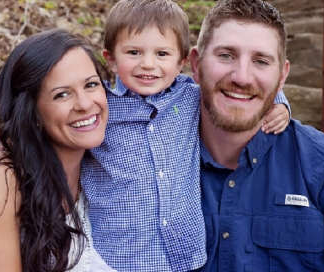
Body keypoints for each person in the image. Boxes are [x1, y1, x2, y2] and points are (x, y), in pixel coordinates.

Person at [188, 0, 324, 271]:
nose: (242, 77)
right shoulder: (145, 160)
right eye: (226, 55)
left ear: (281, 78)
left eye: (261, 61)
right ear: (195, 65)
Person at [81, 0, 291, 271]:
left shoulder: (190, 98)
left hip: (183, 257)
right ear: (110, 58)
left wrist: (281, 104)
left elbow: (249, 91)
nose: (148, 64)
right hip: (119, 255)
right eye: (133, 52)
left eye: (162, 54)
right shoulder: (101, 107)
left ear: (182, 62)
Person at [0, 29, 117, 272]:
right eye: (62, 94)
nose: (84, 104)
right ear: (33, 111)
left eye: (91, 85)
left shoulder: (99, 174)